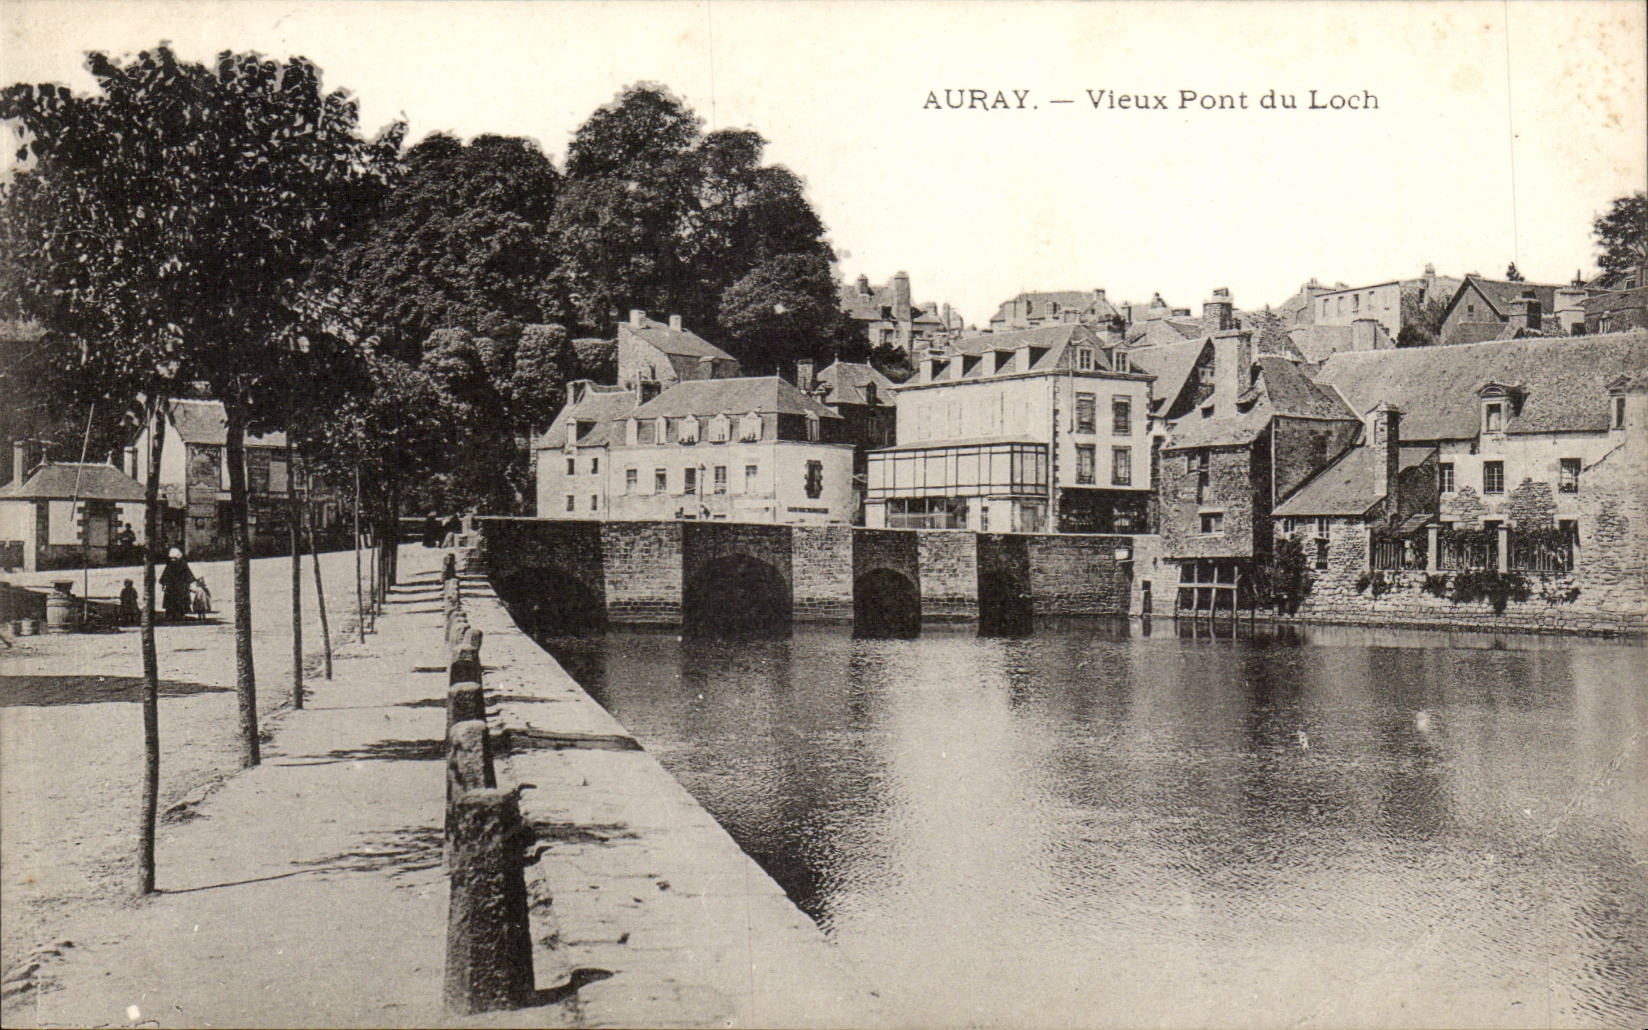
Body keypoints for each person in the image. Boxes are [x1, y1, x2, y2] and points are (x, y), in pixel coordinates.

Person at [160, 548, 194, 622]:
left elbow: (165, 576)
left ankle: (178, 614)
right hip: (175, 587)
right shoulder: (178, 564)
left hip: (177, 587)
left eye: (174, 558)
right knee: (174, 600)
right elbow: (188, 576)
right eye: (172, 558)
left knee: (177, 600)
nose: (173, 560)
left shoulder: (178, 565)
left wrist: (163, 584)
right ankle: (173, 615)